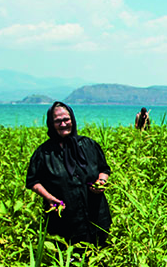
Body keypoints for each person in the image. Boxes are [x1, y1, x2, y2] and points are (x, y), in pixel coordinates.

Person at [25, 102, 112, 246]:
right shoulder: (44, 153)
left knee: (100, 249)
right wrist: (48, 198)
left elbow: (104, 169)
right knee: (68, 257)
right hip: (64, 218)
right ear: (51, 124)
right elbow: (33, 181)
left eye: (66, 119)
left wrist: (101, 182)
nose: (63, 124)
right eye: (58, 121)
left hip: (96, 214)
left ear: (73, 119)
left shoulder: (88, 145)